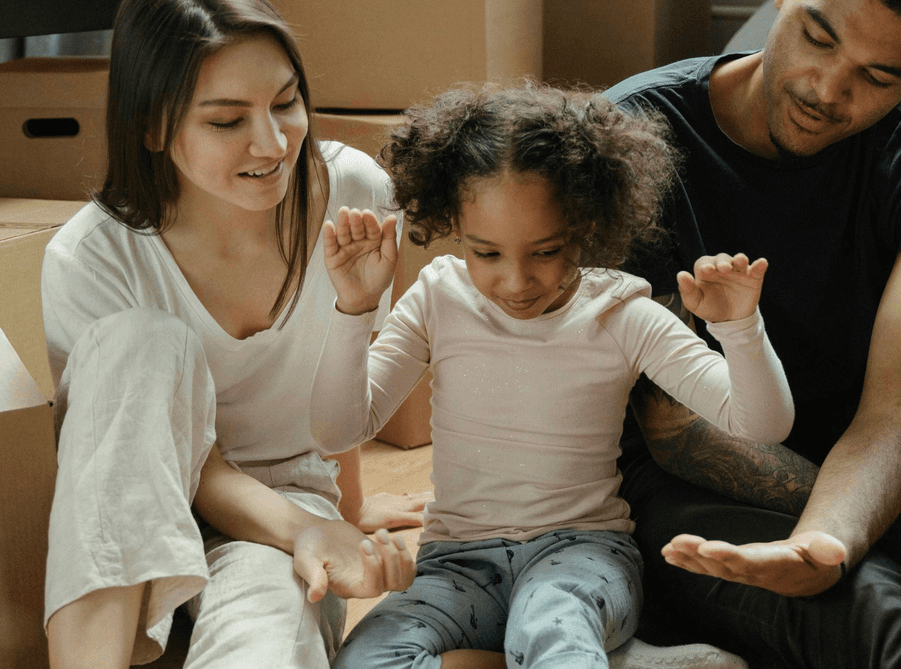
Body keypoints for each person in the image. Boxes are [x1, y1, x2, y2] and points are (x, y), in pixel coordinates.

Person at [605, 0, 901, 668]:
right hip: (686, 482)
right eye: (817, 37)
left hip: (875, 459)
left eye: (879, 76)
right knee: (889, 623)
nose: (828, 90)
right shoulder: (633, 135)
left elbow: (898, 405)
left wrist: (838, 530)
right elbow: (675, 432)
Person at [308, 83, 799, 669]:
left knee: (548, 625)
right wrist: (354, 310)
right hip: (456, 563)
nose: (516, 282)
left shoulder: (622, 313)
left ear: (588, 225)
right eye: (486, 253)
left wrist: (740, 329)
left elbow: (762, 424)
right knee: (363, 660)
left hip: (584, 556)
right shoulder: (437, 297)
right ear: (454, 227)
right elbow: (337, 431)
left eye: (546, 251)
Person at [41, 0, 424, 669]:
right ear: (152, 126)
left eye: (285, 103)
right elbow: (145, 469)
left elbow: (345, 375)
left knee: (267, 636)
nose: (274, 144)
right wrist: (307, 529)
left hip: (277, 520)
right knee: (139, 343)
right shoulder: (91, 258)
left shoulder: (354, 193)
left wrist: (340, 516)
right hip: (137, 506)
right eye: (227, 120)